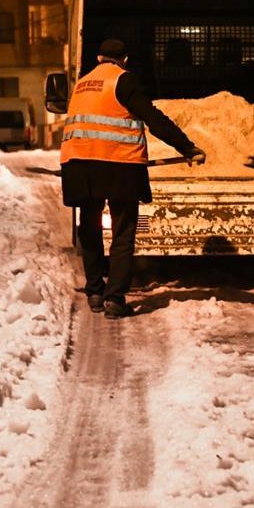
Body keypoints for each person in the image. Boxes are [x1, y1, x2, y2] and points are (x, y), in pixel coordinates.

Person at [60, 38, 205, 319]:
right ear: (124, 60)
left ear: (99, 58)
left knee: (88, 230)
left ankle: (94, 291)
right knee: (123, 232)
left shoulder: (81, 84)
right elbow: (153, 117)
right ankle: (114, 299)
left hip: (78, 164)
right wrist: (186, 146)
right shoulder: (123, 80)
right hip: (118, 165)